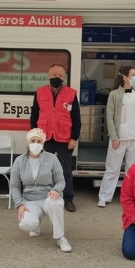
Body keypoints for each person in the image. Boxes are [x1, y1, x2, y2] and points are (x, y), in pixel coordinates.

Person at [10, 128, 72, 253]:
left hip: (48, 197)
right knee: (26, 224)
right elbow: (14, 185)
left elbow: (61, 180)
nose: (36, 144)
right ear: (28, 142)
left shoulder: (52, 159)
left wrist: (55, 189)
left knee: (56, 203)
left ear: (43, 143)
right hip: (29, 201)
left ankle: (60, 237)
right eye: (33, 140)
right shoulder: (19, 161)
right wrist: (19, 204)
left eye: (39, 141)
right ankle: (36, 224)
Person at [97, 66, 135, 208]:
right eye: (133, 75)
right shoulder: (114, 94)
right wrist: (114, 137)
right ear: (125, 77)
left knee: (132, 169)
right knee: (112, 168)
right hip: (119, 138)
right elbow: (109, 117)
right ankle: (104, 196)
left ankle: (130, 197)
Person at [30, 64, 81, 212]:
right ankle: (44, 198)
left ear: (64, 77)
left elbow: (76, 118)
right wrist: (34, 137)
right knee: (43, 170)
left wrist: (74, 138)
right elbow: (34, 116)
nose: (56, 78)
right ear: (48, 76)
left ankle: (68, 199)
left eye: (60, 75)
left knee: (65, 171)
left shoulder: (71, 94)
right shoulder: (40, 93)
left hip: (64, 138)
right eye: (54, 75)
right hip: (44, 138)